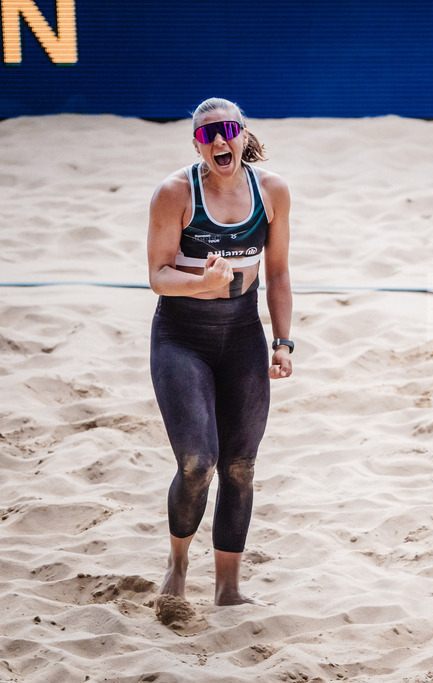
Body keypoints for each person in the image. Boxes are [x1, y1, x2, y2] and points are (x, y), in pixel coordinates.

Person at [147, 97, 293, 606]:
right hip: (181, 338)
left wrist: (283, 341)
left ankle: (228, 588)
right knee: (196, 461)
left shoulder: (271, 190)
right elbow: (158, 276)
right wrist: (202, 285)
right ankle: (178, 564)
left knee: (240, 465)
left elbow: (277, 273)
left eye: (227, 129)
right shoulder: (175, 193)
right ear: (197, 144)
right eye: (207, 134)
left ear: (243, 134)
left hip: (243, 337)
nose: (218, 140)